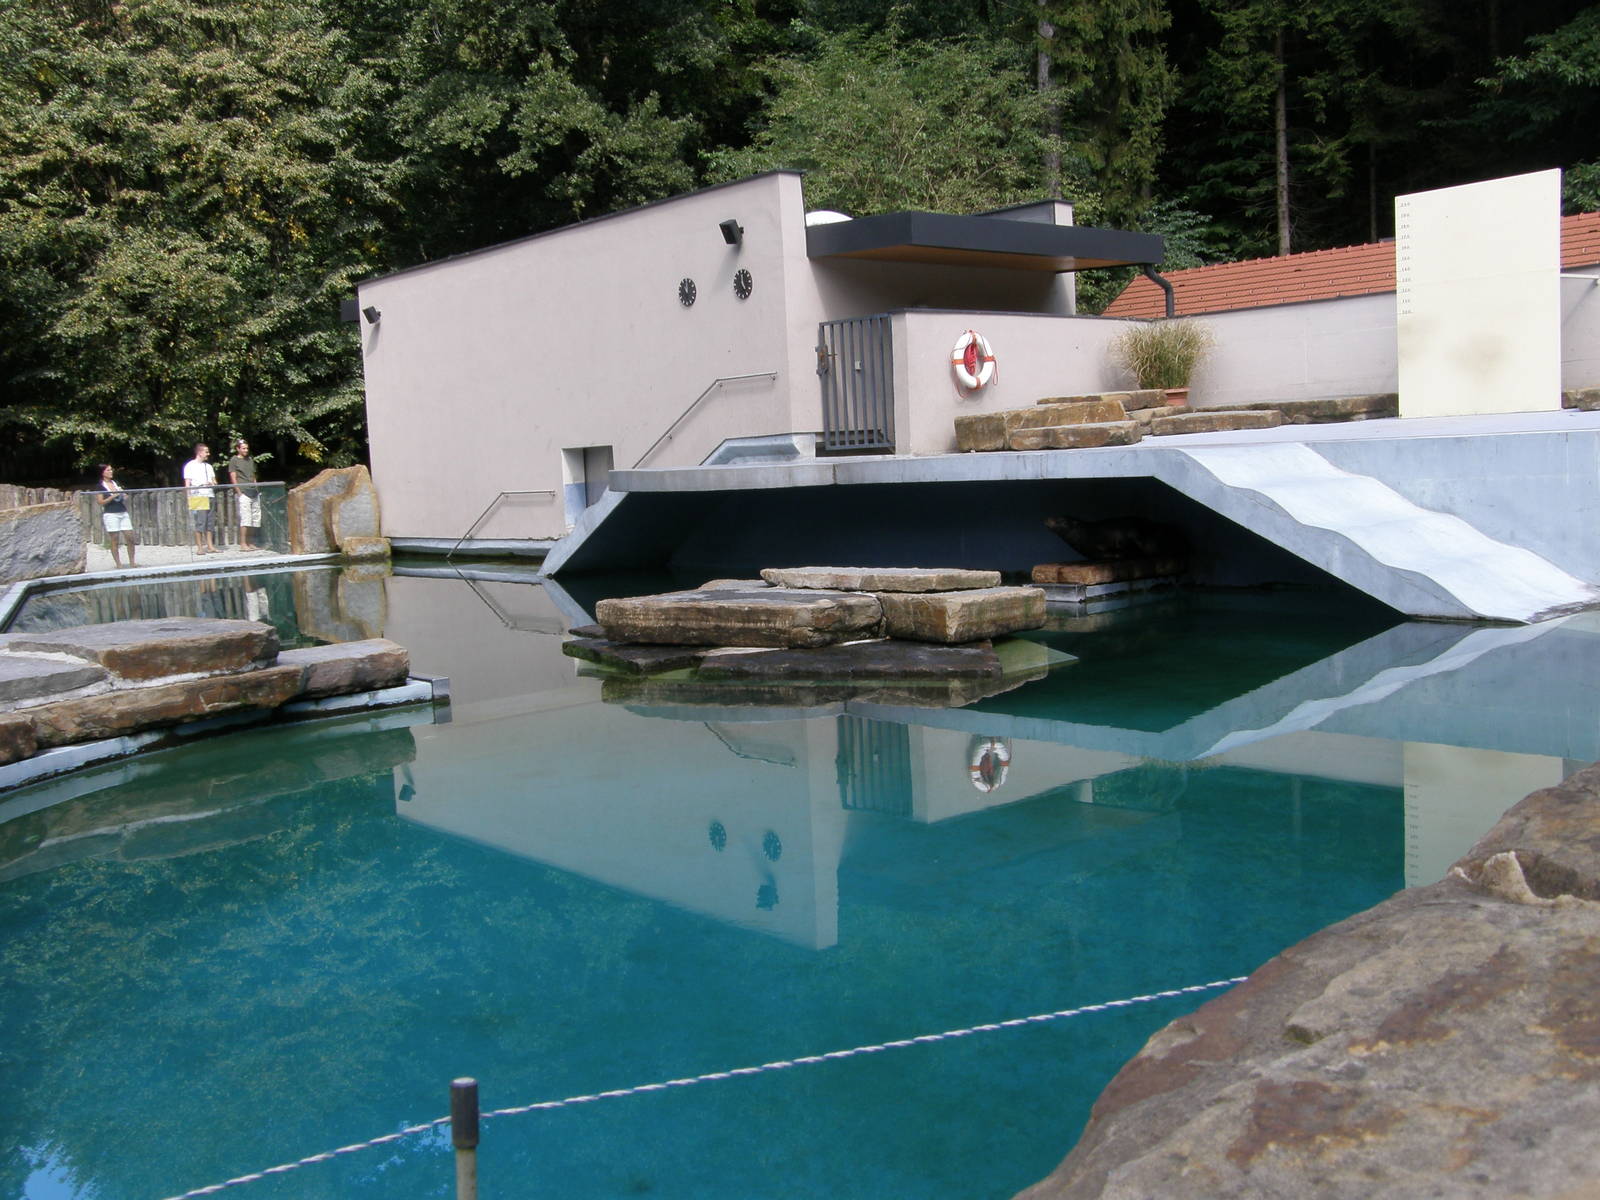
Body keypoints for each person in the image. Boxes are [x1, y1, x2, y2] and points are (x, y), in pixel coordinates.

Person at [94, 463, 137, 568]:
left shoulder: (115, 483)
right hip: (110, 514)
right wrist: (113, 496)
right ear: (102, 473)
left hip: (122, 511)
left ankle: (132, 561)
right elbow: (100, 502)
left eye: (111, 470)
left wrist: (123, 495)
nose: (111, 472)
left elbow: (123, 496)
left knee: (130, 537)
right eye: (108, 470)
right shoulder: (100, 486)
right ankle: (118, 563)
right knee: (115, 539)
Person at [183, 442, 217, 555]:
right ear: (200, 452)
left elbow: (215, 481)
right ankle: (200, 547)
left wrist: (211, 483)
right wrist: (188, 497)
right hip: (198, 495)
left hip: (210, 495)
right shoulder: (190, 465)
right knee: (200, 522)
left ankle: (210, 546)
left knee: (210, 522)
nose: (208, 454)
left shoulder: (209, 466)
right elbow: (187, 483)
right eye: (206, 451)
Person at [227, 438, 261, 551]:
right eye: (243, 448)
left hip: (254, 492)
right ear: (238, 449)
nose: (246, 450)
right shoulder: (234, 460)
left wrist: (257, 488)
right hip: (243, 492)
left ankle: (250, 542)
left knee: (254, 518)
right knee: (245, 519)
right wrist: (239, 492)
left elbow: (253, 475)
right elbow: (233, 476)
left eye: (247, 448)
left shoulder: (250, 459)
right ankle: (243, 544)